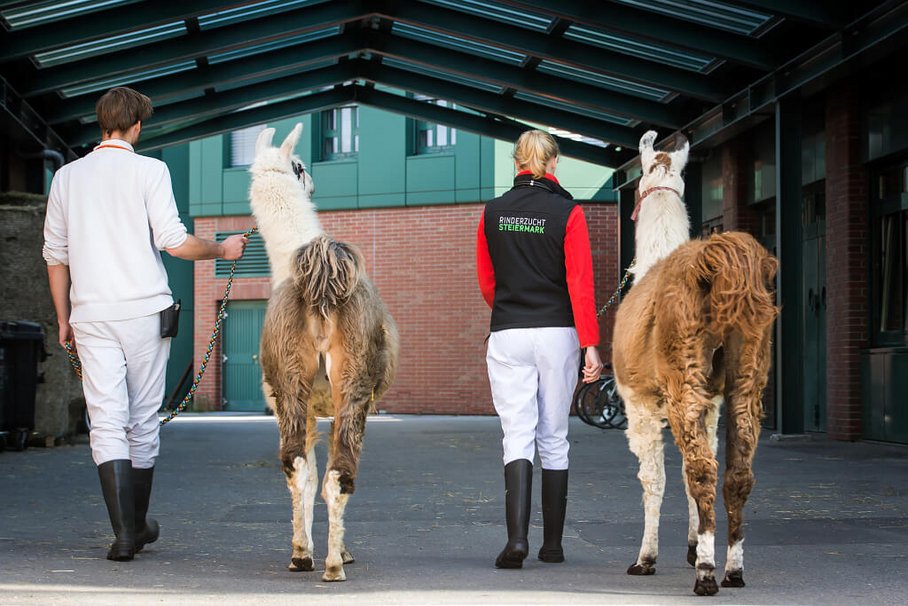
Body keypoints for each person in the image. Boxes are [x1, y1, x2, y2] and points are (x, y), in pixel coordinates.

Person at [42, 87, 248, 561]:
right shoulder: (150, 170)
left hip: (90, 314)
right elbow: (174, 242)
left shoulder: (67, 178)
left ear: (101, 124)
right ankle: (134, 526)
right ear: (136, 127)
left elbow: (55, 256)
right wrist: (222, 249)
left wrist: (62, 318)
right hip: (144, 312)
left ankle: (126, 534)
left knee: (107, 419)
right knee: (142, 420)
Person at [476, 129, 604, 569]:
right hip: (557, 332)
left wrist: (512, 310)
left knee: (516, 434)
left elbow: (487, 281)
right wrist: (591, 344)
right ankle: (552, 545)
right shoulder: (568, 212)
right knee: (554, 436)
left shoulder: (492, 213)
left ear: (516, 163)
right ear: (553, 164)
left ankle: (516, 541)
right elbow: (580, 284)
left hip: (508, 330)